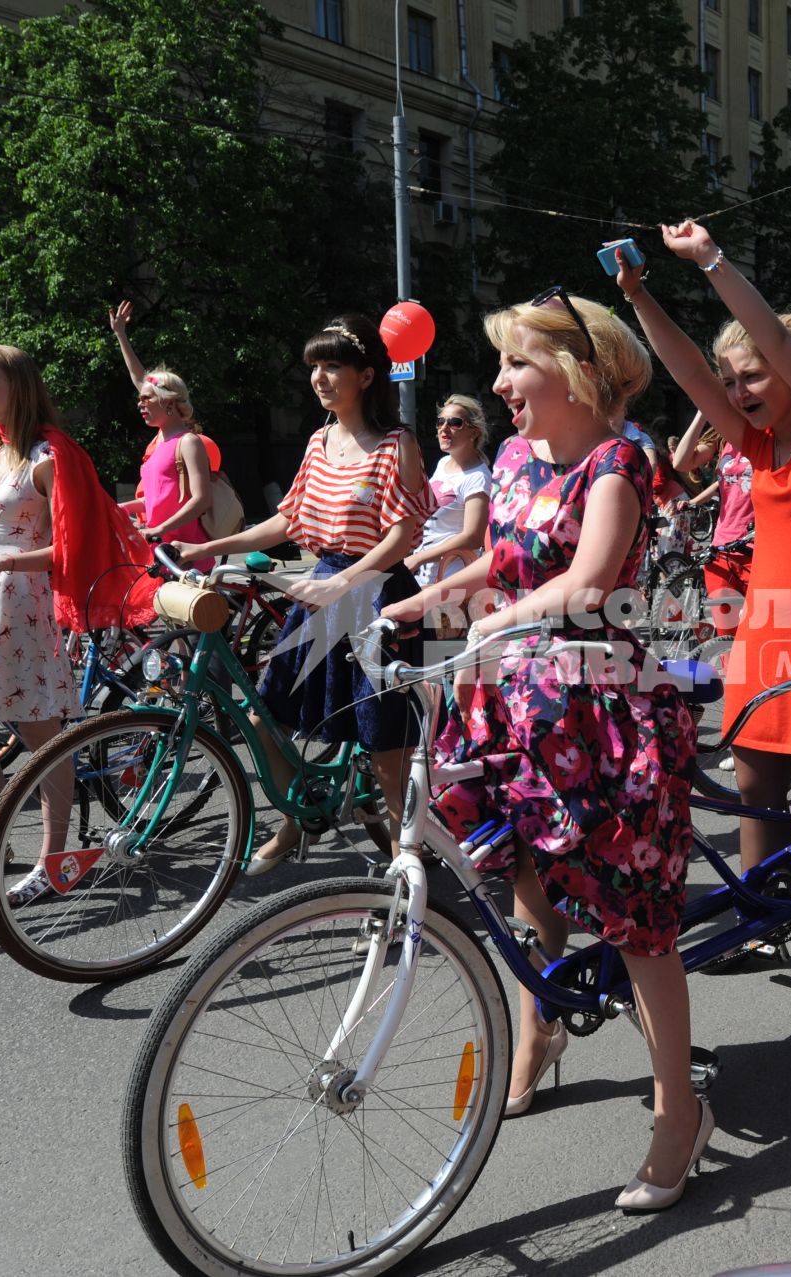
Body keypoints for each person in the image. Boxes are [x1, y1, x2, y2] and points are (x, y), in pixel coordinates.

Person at [380, 288, 706, 1212]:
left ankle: (677, 1110)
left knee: (639, 924)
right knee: (519, 866)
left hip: (604, 710)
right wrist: (424, 598)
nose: (499, 383)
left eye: (516, 363)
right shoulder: (519, 457)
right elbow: (510, 555)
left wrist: (490, 625)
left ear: (575, 370)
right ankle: (542, 1025)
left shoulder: (621, 460)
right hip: (517, 702)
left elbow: (590, 577)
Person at [618, 225, 791, 1041]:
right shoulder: (758, 444)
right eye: (734, 379)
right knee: (752, 788)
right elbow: (689, 373)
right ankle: (762, 908)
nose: (737, 391)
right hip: (770, 631)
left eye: (753, 375)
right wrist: (638, 295)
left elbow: (771, 331)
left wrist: (711, 262)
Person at [171, 314, 432, 871]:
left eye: (332, 366)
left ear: (365, 376)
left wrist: (345, 579)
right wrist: (214, 547)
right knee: (266, 717)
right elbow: (288, 520)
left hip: (377, 594)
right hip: (325, 590)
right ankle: (298, 818)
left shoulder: (396, 443)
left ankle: (405, 859)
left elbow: (403, 534)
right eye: (314, 366)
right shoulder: (318, 440)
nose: (319, 377)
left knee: (385, 745)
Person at [0, 344, 157, 903]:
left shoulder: (52, 454)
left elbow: (71, 550)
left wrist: (3, 562)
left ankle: (55, 860)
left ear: (18, 387)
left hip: (21, 608)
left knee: (43, 741)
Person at [107, 302, 219, 563]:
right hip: (159, 552)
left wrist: (159, 529)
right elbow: (157, 500)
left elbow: (202, 500)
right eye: (140, 398)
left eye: (146, 399)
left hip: (185, 557)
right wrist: (120, 508)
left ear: (169, 402)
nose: (139, 403)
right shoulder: (159, 442)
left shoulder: (188, 442)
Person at [671, 412, 754, 637]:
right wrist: (702, 412)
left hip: (759, 552)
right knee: (727, 637)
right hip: (722, 551)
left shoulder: (769, 434)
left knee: (758, 636)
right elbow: (681, 462)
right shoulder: (723, 437)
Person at [405, 394, 492, 588]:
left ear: (474, 432)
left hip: (451, 577)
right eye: (440, 422)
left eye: (455, 422)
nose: (444, 428)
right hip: (425, 573)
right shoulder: (443, 463)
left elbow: (473, 536)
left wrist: (420, 558)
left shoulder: (478, 477)